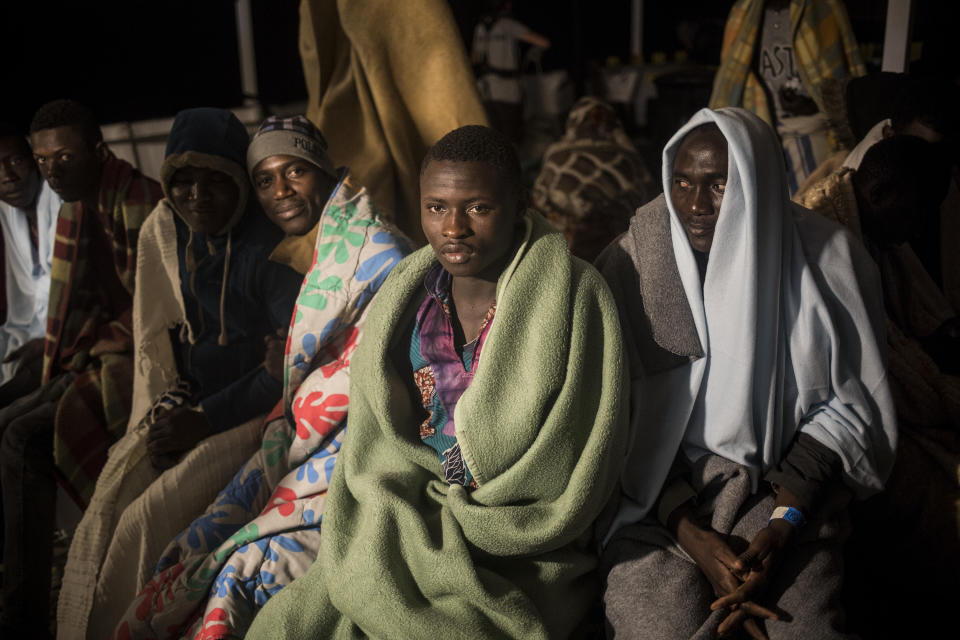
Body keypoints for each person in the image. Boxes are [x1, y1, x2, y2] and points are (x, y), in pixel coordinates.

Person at [239, 124, 627, 638]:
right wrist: (401, 505)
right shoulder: (407, 296)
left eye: (478, 207)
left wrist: (475, 509)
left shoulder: (575, 295)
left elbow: (581, 451)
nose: (453, 227)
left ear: (518, 204)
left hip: (523, 539)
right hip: (410, 512)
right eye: (436, 207)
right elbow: (379, 444)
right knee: (293, 621)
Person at [103, 114, 411, 640]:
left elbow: (359, 377)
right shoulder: (298, 243)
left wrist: (273, 383)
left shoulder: (368, 250)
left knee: (232, 570)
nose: (280, 191)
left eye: (295, 171)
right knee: (189, 544)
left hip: (351, 447)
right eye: (265, 179)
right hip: (287, 427)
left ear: (324, 169)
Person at [597, 108, 895, 639]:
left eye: (718, 184)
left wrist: (783, 528)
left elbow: (849, 411)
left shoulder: (826, 261)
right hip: (657, 500)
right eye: (682, 182)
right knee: (657, 626)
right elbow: (615, 418)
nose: (693, 205)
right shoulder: (635, 263)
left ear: (756, 180)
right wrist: (692, 535)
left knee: (803, 629)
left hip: (782, 488)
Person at [55, 107, 306, 639]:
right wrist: (178, 405)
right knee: (110, 502)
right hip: (193, 398)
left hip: (250, 413)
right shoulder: (170, 232)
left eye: (215, 179)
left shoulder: (270, 251)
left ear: (241, 180)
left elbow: (286, 369)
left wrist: (204, 419)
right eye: (182, 181)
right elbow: (158, 327)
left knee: (144, 524)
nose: (197, 195)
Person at [0, 99, 162, 638]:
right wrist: (70, 347)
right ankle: (27, 584)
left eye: (63, 156)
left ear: (97, 149)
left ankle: (26, 608)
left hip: (136, 359)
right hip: (96, 351)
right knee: (10, 423)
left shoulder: (139, 201)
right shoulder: (75, 205)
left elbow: (152, 311)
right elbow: (78, 305)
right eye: (43, 160)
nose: (52, 170)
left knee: (23, 436)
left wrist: (94, 346)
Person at [709, 0, 865, 194]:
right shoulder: (744, 11)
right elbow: (732, 79)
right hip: (764, 129)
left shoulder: (822, 7)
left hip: (814, 130)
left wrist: (810, 101)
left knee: (813, 205)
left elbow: (839, 73)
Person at [532, 96, 655, 261]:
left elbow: (538, 200)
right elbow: (648, 205)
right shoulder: (626, 158)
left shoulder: (556, 155)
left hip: (560, 247)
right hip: (615, 248)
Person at [0, 124, 61, 402]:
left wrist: (48, 340)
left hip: (66, 333)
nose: (7, 177)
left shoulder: (62, 198)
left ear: (35, 163)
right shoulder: (6, 212)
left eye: (15, 161)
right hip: (28, 327)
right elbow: (26, 298)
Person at [472, 0, 550, 142]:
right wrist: (532, 54)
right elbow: (543, 42)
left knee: (493, 134)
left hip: (486, 89)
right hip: (508, 89)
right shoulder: (508, 25)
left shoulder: (481, 27)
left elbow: (475, 58)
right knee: (512, 134)